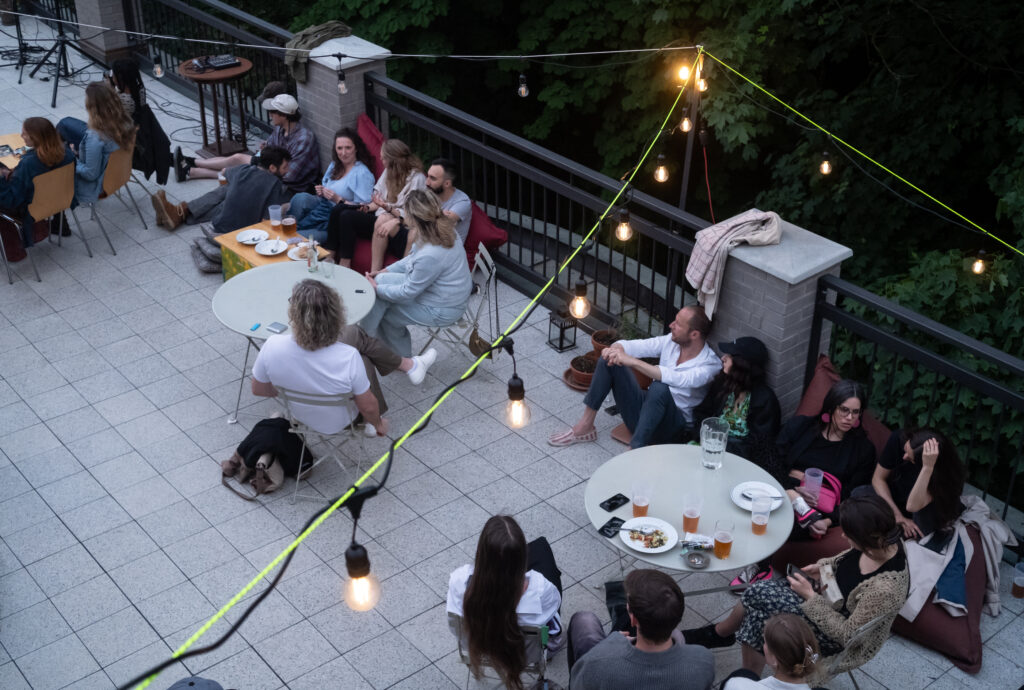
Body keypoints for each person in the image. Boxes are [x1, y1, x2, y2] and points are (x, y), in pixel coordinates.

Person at [683, 495, 910, 685]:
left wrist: (810, 597)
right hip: (825, 597)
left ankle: (727, 645)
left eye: (848, 534)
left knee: (760, 607)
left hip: (832, 632)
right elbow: (845, 560)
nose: (843, 536)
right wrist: (822, 567)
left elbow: (847, 635)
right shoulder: (884, 541)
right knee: (757, 597)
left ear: (867, 539)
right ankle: (735, 656)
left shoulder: (885, 590)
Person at [250, 279, 438, 436]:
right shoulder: (348, 357)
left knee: (355, 339)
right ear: (336, 315)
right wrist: (379, 425)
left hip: (301, 415)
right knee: (361, 354)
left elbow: (258, 389)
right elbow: (368, 406)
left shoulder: (272, 345)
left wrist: (294, 391)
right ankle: (407, 369)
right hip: (343, 421)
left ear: (293, 314)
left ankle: (410, 366)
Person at [549, 306, 721, 449]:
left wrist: (631, 361)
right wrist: (615, 349)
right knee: (609, 360)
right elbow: (640, 345)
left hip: (670, 429)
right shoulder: (672, 341)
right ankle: (585, 426)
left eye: (678, 324)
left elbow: (676, 378)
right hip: (645, 413)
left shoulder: (710, 365)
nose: (671, 325)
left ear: (694, 334)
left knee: (660, 387)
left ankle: (635, 450)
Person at [446, 515, 562, 690]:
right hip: (525, 654)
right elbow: (554, 606)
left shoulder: (458, 582)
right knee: (542, 549)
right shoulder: (541, 589)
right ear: (523, 558)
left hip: (478, 645)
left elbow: (454, 625)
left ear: (480, 552)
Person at [359, 189, 472, 356]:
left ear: (414, 218)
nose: (403, 215)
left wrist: (377, 289)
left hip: (444, 308)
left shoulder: (431, 253)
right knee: (381, 279)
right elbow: (411, 259)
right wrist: (385, 270)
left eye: (405, 211)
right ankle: (365, 339)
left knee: (387, 313)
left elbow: (408, 292)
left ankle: (378, 348)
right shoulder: (440, 229)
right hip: (445, 293)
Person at [568, 569, 714, 690]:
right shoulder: (703, 659)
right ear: (677, 618)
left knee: (583, 619)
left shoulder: (596, 664)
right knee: (678, 637)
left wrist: (611, 643)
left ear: (633, 619)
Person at [777, 379, 876, 538]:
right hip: (783, 492)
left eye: (855, 412)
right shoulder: (800, 426)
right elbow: (775, 462)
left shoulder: (863, 450)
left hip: (819, 512)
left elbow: (853, 497)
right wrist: (792, 490)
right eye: (844, 410)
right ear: (831, 407)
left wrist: (827, 522)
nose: (849, 417)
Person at [175, 94, 320, 196]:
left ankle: (190, 164)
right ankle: (190, 168)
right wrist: (265, 150)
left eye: (272, 112)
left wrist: (263, 165)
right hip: (272, 169)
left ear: (284, 115)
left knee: (239, 166)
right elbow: (270, 148)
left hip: (290, 186)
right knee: (238, 164)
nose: (270, 115)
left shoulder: (304, 139)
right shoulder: (280, 129)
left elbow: (290, 175)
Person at [322, 138, 426, 272]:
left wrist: (390, 211)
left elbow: (412, 213)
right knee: (339, 209)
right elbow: (378, 201)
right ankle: (329, 256)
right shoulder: (388, 171)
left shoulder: (417, 179)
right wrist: (367, 208)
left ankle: (345, 263)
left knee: (347, 216)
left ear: (394, 160)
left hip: (397, 221)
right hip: (380, 213)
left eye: (384, 158)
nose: (381, 161)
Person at [863, 428, 965, 539]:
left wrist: (927, 467)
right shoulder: (899, 438)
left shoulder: (940, 473)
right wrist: (897, 516)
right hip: (898, 501)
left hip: (924, 509)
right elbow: (878, 479)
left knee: (914, 532)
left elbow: (912, 506)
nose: (904, 456)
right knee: (860, 493)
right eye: (906, 450)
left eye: (910, 458)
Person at [692, 336, 781, 462]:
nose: (723, 358)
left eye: (729, 356)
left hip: (739, 458)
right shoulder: (723, 384)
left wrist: (724, 447)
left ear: (741, 365)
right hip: (709, 444)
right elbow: (702, 413)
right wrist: (702, 436)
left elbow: (761, 444)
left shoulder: (765, 400)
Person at [286, 128, 375, 243]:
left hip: (336, 219)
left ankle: (296, 234)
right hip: (323, 206)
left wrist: (339, 200)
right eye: (339, 148)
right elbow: (325, 188)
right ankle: (289, 228)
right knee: (300, 198)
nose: (343, 153)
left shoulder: (362, 173)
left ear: (356, 148)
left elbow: (362, 210)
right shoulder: (335, 164)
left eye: (348, 148)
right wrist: (321, 191)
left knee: (296, 239)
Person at [57, 82, 135, 207]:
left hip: (97, 185)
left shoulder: (95, 137)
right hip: (119, 173)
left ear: (92, 107)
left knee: (57, 153)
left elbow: (90, 174)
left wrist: (72, 158)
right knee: (65, 125)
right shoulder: (126, 122)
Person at [0, 117, 75, 245]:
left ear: (35, 138)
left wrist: (2, 179)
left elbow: (10, 200)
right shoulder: (68, 154)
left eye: (24, 133)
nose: (21, 136)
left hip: (29, 209)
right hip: (59, 199)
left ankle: (11, 245)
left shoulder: (28, 164)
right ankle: (60, 224)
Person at [721, 614, 820, 690]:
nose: (763, 646)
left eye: (765, 642)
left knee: (744, 673)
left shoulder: (736, 685)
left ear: (774, 659)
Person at [425, 157, 472, 245]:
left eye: (432, 178)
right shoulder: (431, 192)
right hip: (427, 241)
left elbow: (440, 226)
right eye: (428, 176)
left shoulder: (462, 202)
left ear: (447, 183)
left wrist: (423, 214)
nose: (427, 182)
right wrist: (438, 215)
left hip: (446, 248)